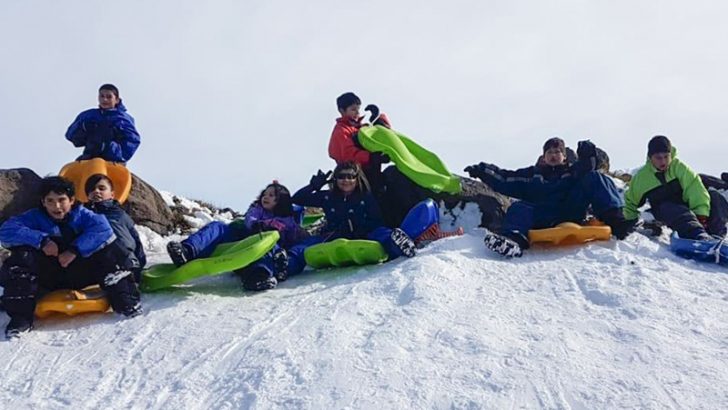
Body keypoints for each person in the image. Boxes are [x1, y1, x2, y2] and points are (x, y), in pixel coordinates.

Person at [0, 177, 142, 339]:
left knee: (112, 250)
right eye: (50, 201)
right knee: (21, 257)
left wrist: (74, 250)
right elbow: (6, 230)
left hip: (80, 272)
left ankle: (126, 301)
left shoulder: (83, 214)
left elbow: (103, 230)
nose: (57, 206)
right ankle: (21, 318)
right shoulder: (34, 217)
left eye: (62, 200)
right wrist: (42, 240)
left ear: (72, 200)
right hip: (49, 276)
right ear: (43, 202)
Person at [465, 138, 632, 257]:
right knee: (518, 207)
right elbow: (506, 179)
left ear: (564, 156)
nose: (553, 155)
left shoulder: (573, 171)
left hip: (571, 211)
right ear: (543, 157)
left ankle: (617, 222)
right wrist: (482, 170)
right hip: (543, 216)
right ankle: (514, 240)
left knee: (595, 177)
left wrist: (588, 153)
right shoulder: (532, 175)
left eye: (558, 152)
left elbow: (588, 167)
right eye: (549, 152)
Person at [165, 182, 308, 291]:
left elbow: (294, 234)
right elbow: (249, 220)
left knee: (270, 245)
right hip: (241, 243)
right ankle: (187, 251)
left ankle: (258, 276)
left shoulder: (287, 220)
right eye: (265, 193)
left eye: (272, 195)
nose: (266, 197)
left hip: (260, 251)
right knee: (218, 226)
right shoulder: (256, 210)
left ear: (280, 201)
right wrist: (257, 225)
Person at [288, 161, 417, 275]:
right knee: (304, 246)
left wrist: (364, 228)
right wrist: (314, 186)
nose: (346, 180)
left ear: (357, 179)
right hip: (334, 234)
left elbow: (376, 219)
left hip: (364, 232)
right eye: (341, 177)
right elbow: (297, 199)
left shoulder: (365, 197)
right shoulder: (328, 197)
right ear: (335, 179)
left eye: (350, 176)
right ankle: (286, 265)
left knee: (382, 233)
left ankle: (400, 244)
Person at [624, 135, 728, 240]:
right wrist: (627, 222)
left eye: (666, 157)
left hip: (688, 207)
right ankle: (698, 236)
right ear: (651, 158)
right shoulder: (642, 178)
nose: (663, 161)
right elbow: (630, 202)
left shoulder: (679, 168)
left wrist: (701, 215)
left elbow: (695, 189)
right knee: (673, 208)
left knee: (715, 197)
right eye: (658, 158)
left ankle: (717, 238)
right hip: (665, 210)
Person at [84, 174, 147, 282]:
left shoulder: (120, 215)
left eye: (101, 188)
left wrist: (140, 263)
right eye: (91, 189)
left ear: (112, 194)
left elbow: (135, 238)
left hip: (125, 260)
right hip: (99, 263)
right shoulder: (85, 216)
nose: (96, 191)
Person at [327, 92, 390, 192]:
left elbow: (384, 137)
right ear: (342, 111)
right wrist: (371, 157)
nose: (357, 112)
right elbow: (348, 155)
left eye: (358, 109)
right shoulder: (341, 131)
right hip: (355, 178)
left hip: (373, 171)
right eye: (353, 109)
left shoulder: (361, 128)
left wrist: (378, 119)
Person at [65, 83, 141, 163]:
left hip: (113, 161)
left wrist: (113, 149)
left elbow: (132, 140)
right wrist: (83, 129)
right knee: (68, 171)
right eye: (102, 96)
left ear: (117, 100)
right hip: (88, 158)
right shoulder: (88, 115)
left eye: (109, 97)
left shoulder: (122, 119)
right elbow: (70, 135)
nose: (104, 100)